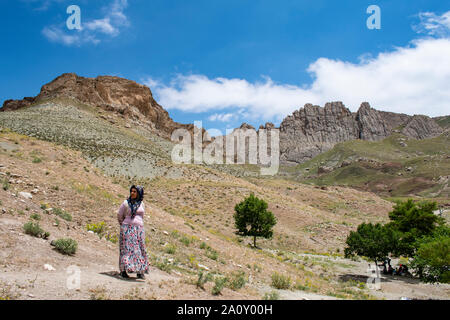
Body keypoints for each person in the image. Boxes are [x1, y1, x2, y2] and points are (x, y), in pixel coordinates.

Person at [117, 185, 149, 279]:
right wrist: (124, 224)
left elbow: (142, 216)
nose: (132, 193)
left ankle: (140, 271)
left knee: (140, 249)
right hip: (127, 229)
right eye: (131, 191)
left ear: (139, 193)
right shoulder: (126, 203)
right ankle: (123, 270)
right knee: (126, 249)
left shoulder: (141, 204)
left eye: (135, 192)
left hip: (139, 229)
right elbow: (120, 214)